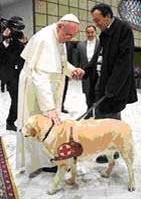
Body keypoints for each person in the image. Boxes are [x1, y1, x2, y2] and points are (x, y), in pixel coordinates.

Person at [16, 14, 85, 177]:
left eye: (72, 36)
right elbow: (40, 77)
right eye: (67, 34)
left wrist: (72, 70)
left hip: (48, 91)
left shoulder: (58, 37)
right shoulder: (45, 39)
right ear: (59, 26)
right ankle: (35, 163)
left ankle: (47, 160)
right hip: (36, 92)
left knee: (49, 126)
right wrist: (50, 108)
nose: (68, 39)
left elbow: (61, 62)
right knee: (36, 125)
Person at [88, 3, 138, 163]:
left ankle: (114, 151)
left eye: (98, 20)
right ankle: (103, 149)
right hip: (100, 83)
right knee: (100, 118)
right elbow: (98, 57)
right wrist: (86, 70)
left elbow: (123, 63)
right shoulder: (104, 33)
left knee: (111, 120)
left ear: (108, 16)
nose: (96, 24)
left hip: (114, 87)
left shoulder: (123, 30)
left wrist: (112, 88)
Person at [0, 17, 26, 131]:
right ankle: (10, 122)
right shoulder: (3, 38)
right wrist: (4, 39)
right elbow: (3, 57)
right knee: (16, 100)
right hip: (10, 76)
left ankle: (15, 120)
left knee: (20, 100)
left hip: (20, 73)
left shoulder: (17, 37)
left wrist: (25, 43)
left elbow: (22, 52)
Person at [75, 25, 99, 119]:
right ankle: (89, 112)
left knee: (97, 93)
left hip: (98, 74)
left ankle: (97, 113)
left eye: (92, 32)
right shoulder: (80, 45)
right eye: (88, 32)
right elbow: (77, 60)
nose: (90, 34)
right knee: (88, 94)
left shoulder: (101, 43)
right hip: (86, 74)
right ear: (85, 33)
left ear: (95, 32)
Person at [61, 40, 79, 113]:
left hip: (67, 70)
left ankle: (61, 106)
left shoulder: (70, 44)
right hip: (56, 71)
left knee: (64, 89)